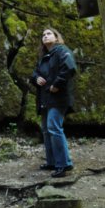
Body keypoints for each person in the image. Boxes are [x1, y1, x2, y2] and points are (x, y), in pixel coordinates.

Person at [30, 27, 77, 178]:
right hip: (45, 99)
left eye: (49, 33)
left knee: (54, 127)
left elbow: (69, 68)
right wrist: (35, 78)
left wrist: (57, 84)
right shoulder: (44, 57)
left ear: (56, 37)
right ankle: (52, 162)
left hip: (59, 98)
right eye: (43, 34)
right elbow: (35, 73)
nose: (45, 36)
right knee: (46, 129)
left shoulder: (62, 51)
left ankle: (63, 164)